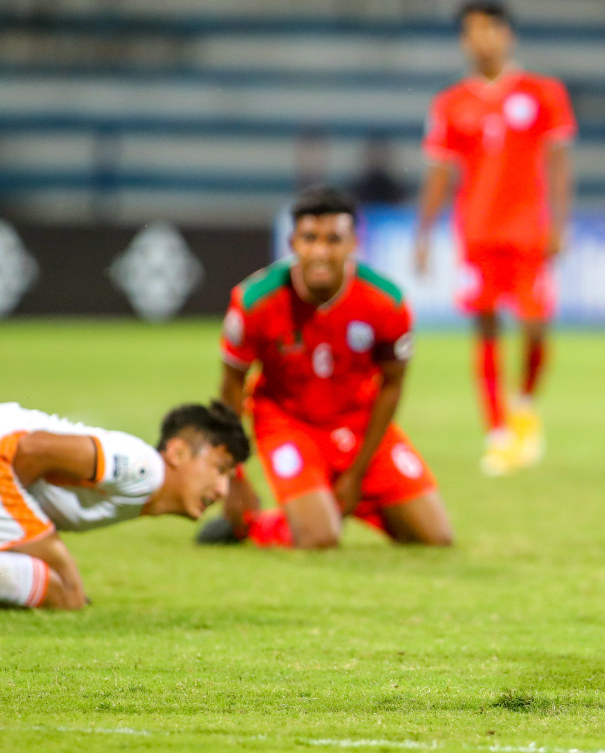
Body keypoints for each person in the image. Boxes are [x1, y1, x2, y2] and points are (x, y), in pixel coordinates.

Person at [202, 185, 452, 549]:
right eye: (310, 238)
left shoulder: (386, 302)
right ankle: (258, 525)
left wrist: (357, 473)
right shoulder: (255, 301)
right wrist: (234, 474)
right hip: (287, 422)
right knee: (320, 539)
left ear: (353, 243)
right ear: (292, 243)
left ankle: (341, 503)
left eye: (333, 239)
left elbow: (392, 385)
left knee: (436, 538)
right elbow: (231, 388)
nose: (320, 251)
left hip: (357, 421)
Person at [416, 0, 576, 476]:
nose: (481, 39)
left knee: (534, 325)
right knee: (484, 326)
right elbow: (440, 173)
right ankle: (497, 430)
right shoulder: (450, 103)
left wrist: (560, 223)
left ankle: (523, 404)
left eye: (489, 29)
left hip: (529, 233)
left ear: (508, 35)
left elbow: (559, 163)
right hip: (477, 233)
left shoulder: (543, 92)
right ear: (463, 41)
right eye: (471, 32)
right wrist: (423, 233)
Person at [0, 399, 247, 610]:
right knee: (67, 592)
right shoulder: (142, 468)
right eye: (220, 469)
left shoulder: (142, 488)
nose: (222, 490)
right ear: (178, 453)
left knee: (63, 590)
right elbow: (34, 448)